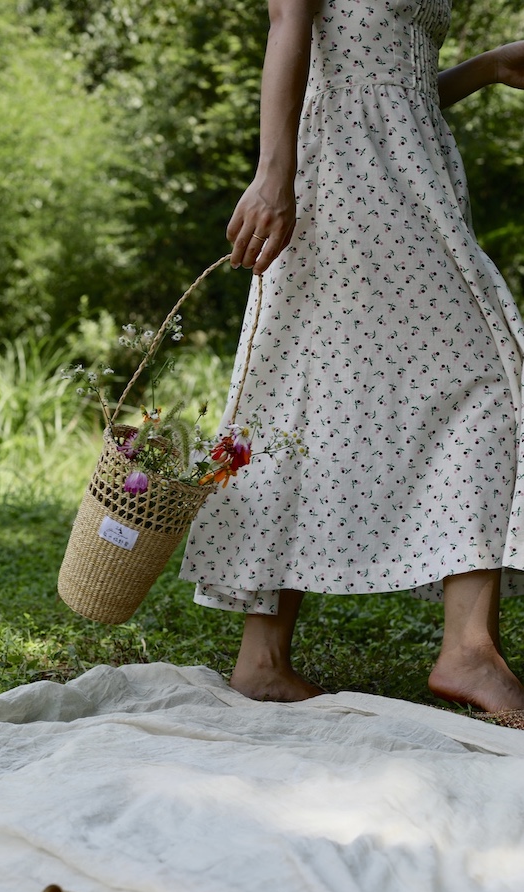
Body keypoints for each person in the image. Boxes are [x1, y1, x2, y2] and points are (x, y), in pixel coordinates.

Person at [180, 0, 524, 719]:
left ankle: (264, 657)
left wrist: (487, 68)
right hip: (340, 185)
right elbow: (287, 20)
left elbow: (386, 79)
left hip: (409, 178)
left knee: (304, 393)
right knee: (491, 372)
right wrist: (275, 175)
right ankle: (465, 647)